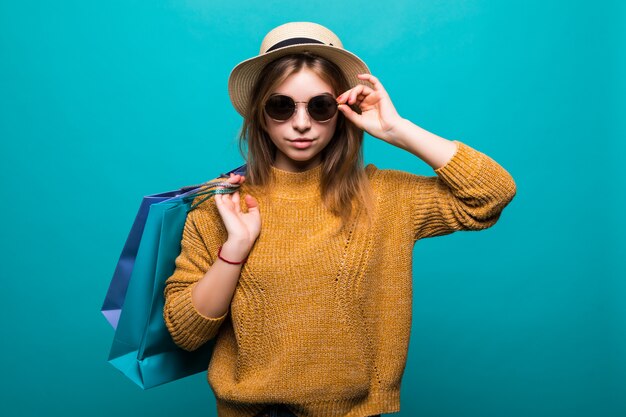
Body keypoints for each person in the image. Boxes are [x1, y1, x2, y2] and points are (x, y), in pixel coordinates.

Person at [163, 22, 516, 417]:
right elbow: (185, 330)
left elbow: (490, 194)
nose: (301, 124)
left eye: (320, 106)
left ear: (342, 111)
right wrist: (235, 250)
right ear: (260, 115)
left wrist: (397, 129)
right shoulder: (224, 203)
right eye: (281, 106)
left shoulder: (384, 197)